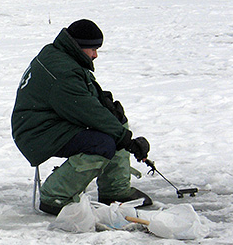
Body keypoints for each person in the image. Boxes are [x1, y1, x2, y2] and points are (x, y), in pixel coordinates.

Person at [11, 19, 152, 216]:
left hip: (50, 121)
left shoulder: (60, 53)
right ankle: (55, 195)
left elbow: (85, 101)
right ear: (78, 46)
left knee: (114, 120)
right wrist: (126, 140)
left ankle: (115, 191)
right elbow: (87, 111)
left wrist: (106, 106)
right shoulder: (62, 73)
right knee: (102, 143)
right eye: (92, 49)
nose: (95, 54)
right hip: (37, 132)